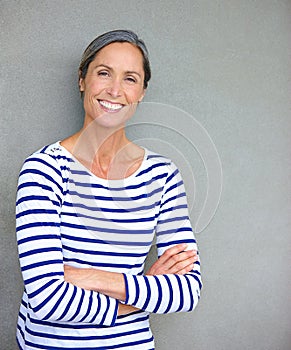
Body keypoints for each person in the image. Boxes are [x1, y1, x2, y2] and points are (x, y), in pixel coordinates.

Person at [16, 29, 202, 350]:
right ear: (82, 80)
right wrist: (143, 293)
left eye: (130, 79)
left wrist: (90, 277)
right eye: (104, 73)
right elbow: (47, 299)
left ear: (142, 92)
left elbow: (186, 291)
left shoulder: (163, 175)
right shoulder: (44, 169)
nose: (115, 90)